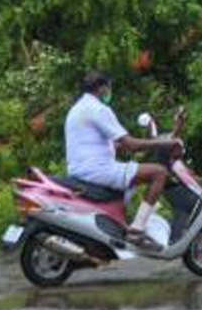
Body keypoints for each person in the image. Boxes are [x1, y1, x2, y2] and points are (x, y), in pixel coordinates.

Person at [65, 71, 182, 250]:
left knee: (134, 174)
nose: (109, 92)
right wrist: (163, 143)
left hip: (82, 169)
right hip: (98, 170)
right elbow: (131, 145)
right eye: (109, 87)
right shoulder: (98, 109)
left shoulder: (78, 108)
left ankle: (120, 227)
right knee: (159, 173)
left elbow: (114, 145)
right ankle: (136, 231)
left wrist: (158, 139)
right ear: (102, 88)